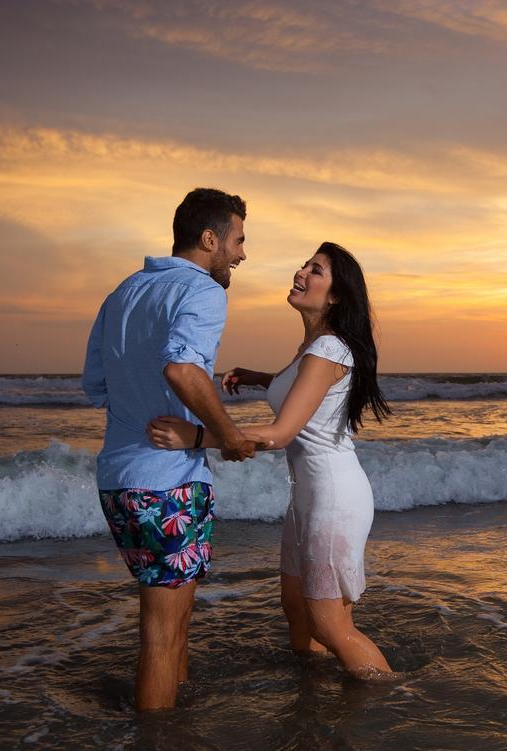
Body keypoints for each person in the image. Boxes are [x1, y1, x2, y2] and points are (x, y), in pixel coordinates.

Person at [147, 241, 395, 679]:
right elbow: (302, 388)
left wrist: (197, 435)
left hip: (334, 501)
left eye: (315, 271)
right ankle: (316, 695)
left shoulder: (329, 349)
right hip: (308, 499)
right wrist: (259, 377)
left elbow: (281, 435)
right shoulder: (314, 346)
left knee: (331, 625)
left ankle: (393, 699)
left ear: (335, 295)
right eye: (305, 264)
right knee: (297, 612)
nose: (301, 272)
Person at [82, 187, 267, 711]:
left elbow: (96, 385)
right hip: (167, 484)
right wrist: (227, 435)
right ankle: (157, 735)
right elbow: (183, 368)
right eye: (238, 240)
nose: (242, 254)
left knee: (173, 626)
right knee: (162, 637)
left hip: (119, 481)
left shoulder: (122, 293)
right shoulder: (205, 291)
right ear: (210, 239)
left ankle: (176, 722)